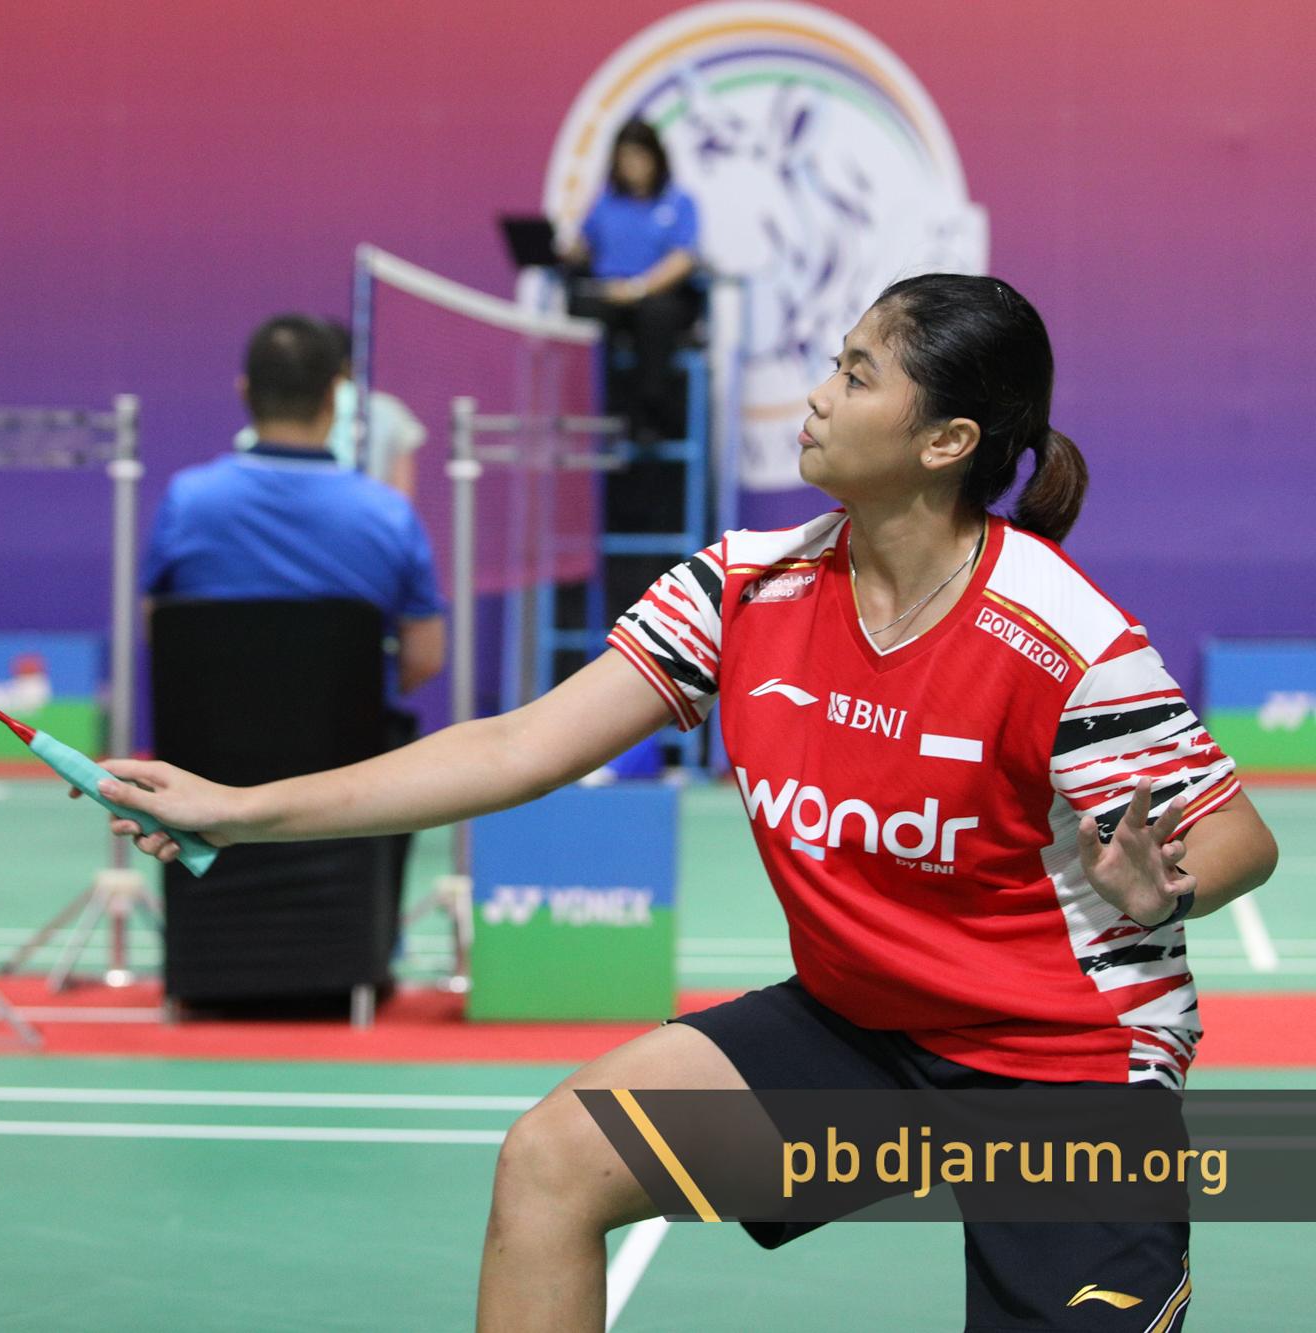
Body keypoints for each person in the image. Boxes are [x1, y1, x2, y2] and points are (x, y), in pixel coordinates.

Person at [93, 275, 1279, 1331]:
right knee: (555, 1159)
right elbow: (515, 747)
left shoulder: (1058, 634)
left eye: (856, 374)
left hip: (1061, 1063)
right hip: (860, 1033)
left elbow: (1234, 835)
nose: (816, 395)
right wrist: (238, 809)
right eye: (831, 363)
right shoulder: (742, 588)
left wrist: (1163, 887)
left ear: (944, 440)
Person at [145, 313, 445, 700]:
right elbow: (424, 658)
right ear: (334, 397)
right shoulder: (391, 516)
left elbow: (158, 630)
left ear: (244, 391)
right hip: (353, 735)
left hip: (208, 735)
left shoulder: (186, 502)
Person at [562, 119, 704, 440]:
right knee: (581, 306)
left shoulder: (679, 202)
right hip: (609, 298)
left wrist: (638, 289)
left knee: (656, 315)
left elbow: (683, 258)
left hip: (656, 297)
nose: (632, 166)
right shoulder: (605, 202)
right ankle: (593, 409)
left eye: (639, 157)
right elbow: (584, 245)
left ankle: (651, 413)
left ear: (656, 158)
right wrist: (569, 251)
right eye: (625, 158)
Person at [233, 320, 428, 498]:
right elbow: (401, 497)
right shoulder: (382, 515)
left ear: (246, 392)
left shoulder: (217, 495)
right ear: (331, 397)